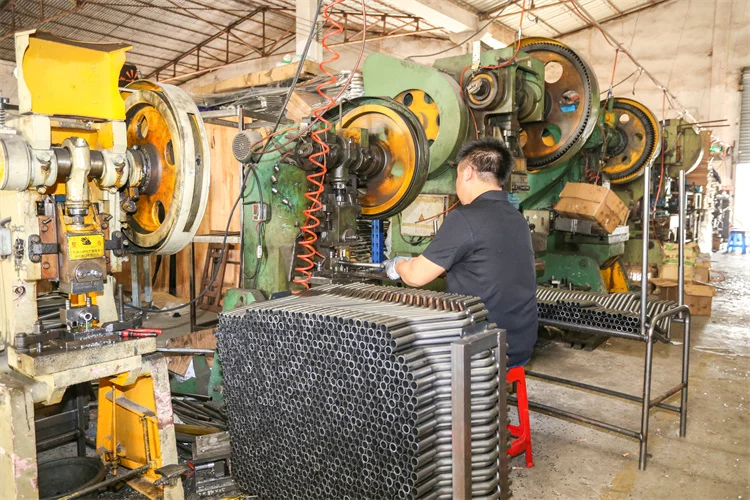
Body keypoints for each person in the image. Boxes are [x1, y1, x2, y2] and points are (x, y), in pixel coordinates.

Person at [383, 138, 538, 367]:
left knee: (394, 350)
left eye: (456, 176)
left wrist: (398, 265)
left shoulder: (464, 217)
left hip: (482, 349)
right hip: (520, 344)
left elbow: (416, 277)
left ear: (467, 173)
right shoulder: (517, 218)